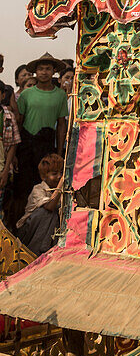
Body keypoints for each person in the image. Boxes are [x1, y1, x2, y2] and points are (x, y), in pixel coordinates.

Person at [16, 53, 68, 204]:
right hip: (26, 144)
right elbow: (19, 122)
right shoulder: (26, 94)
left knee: (45, 185)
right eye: (41, 69)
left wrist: (58, 152)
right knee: (23, 185)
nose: (44, 72)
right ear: (35, 72)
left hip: (46, 144)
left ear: (54, 72)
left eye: (48, 69)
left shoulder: (60, 95)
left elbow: (61, 125)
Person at [16, 153, 63, 255]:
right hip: (28, 233)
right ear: (43, 176)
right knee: (46, 212)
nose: (59, 176)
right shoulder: (38, 189)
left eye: (61, 173)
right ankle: (37, 252)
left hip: (47, 235)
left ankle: (47, 249)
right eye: (54, 174)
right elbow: (49, 206)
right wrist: (61, 184)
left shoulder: (63, 191)